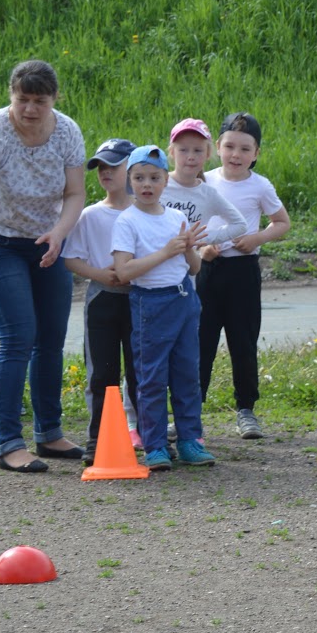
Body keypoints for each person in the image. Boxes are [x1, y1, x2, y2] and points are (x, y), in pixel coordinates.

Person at [0, 59, 86, 472]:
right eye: (22, 99)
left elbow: (76, 193)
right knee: (18, 335)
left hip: (47, 239)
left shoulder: (67, 131)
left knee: (52, 337)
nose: (30, 109)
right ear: (11, 96)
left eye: (39, 101)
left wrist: (60, 233)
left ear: (54, 99)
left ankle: (49, 433)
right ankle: (9, 442)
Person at [109, 146, 212, 470]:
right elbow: (123, 272)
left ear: (165, 181)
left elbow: (193, 268)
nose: (147, 184)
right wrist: (168, 251)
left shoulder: (177, 218)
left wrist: (190, 248)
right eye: (139, 178)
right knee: (152, 378)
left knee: (187, 376)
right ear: (130, 182)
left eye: (154, 177)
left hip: (183, 299)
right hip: (149, 304)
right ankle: (154, 446)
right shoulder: (127, 221)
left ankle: (189, 441)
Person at [202, 112, 290, 441]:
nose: (235, 155)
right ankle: (190, 411)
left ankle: (246, 410)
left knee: (243, 342)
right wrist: (201, 252)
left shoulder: (260, 185)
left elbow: (281, 223)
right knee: (200, 342)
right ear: (217, 148)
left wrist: (256, 238)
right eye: (229, 147)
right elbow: (187, 221)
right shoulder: (204, 181)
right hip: (207, 270)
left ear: (256, 153)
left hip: (243, 272)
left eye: (244, 149)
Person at [62, 137, 137, 460]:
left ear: (132, 169)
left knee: (142, 372)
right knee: (102, 373)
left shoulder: (146, 213)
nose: (106, 173)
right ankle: (98, 439)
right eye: (100, 168)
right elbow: (72, 259)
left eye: (114, 166)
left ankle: (151, 436)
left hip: (140, 300)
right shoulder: (90, 215)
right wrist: (101, 274)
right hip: (102, 298)